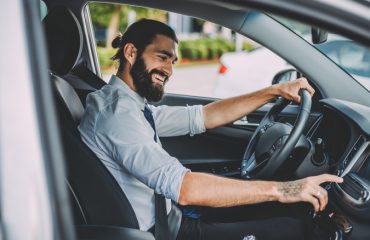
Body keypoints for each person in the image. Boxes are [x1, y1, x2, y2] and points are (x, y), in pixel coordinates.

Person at [78, 19, 343, 239]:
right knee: (293, 228)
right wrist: (285, 190)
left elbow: (203, 116)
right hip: (164, 231)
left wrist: (273, 91)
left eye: (173, 61)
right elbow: (185, 188)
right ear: (131, 53)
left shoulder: (130, 106)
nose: (169, 70)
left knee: (282, 212)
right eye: (162, 58)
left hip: (172, 215)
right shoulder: (116, 116)